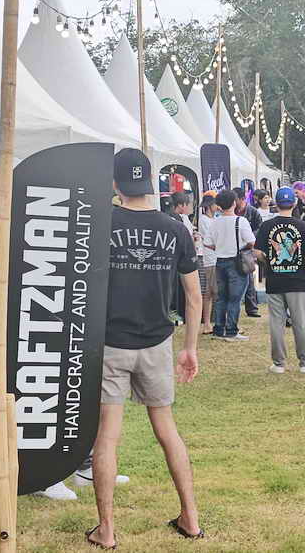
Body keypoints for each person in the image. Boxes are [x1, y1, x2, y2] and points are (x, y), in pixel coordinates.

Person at [87, 148, 203, 548]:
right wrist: (190, 348)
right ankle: (190, 518)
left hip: (111, 342)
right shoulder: (176, 228)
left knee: (107, 437)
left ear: (115, 184)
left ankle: (106, 529)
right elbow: (194, 296)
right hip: (157, 342)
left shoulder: (100, 224)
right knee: (167, 431)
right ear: (150, 182)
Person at [254, 187, 305, 374]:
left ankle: (278, 364)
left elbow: (257, 252)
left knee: (276, 323)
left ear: (276, 203)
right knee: (301, 323)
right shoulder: (301, 226)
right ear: (294, 203)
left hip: (275, 281)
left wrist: (269, 261)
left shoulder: (267, 226)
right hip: (297, 282)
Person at [204, 189, 255, 341]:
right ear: (234, 203)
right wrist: (242, 247)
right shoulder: (241, 221)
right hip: (236, 262)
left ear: (219, 205)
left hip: (219, 261)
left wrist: (219, 247)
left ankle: (219, 329)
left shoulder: (214, 222)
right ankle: (231, 330)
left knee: (221, 297)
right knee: (235, 298)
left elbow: (207, 243)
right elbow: (251, 242)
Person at [233, 187, 263, 318]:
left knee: (249, 278)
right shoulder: (231, 211)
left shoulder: (253, 212)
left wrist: (248, 236)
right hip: (233, 249)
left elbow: (260, 228)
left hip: (247, 249)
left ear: (242, 199)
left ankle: (252, 308)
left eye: (235, 199)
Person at [170, 192, 194, 324]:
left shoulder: (172, 217)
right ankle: (178, 315)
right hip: (180, 258)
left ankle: (178, 314)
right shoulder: (177, 219)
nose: (188, 207)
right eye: (187, 204)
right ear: (180, 205)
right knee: (180, 289)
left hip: (173, 258)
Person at [197, 194, 218, 334]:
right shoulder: (204, 220)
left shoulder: (214, 219)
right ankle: (207, 323)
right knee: (210, 292)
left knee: (210, 292)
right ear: (210, 206)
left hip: (215, 257)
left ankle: (209, 323)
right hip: (210, 258)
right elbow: (210, 239)